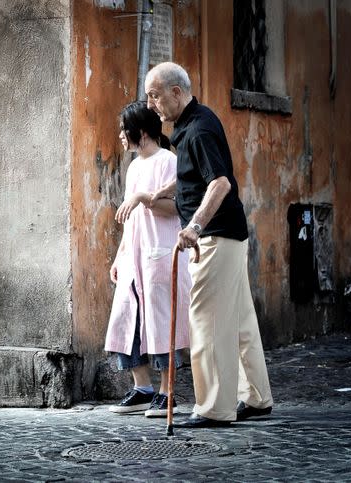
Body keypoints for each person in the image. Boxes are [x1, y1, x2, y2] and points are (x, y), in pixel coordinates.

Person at [145, 62, 273, 427]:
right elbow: (198, 175)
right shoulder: (193, 122)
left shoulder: (198, 129)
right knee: (241, 323)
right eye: (148, 97)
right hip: (228, 235)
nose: (151, 104)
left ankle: (215, 408)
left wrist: (194, 227)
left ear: (175, 92)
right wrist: (169, 189)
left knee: (207, 321)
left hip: (214, 237)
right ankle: (257, 398)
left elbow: (219, 183)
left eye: (155, 95)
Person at [105, 101, 192, 418]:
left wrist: (146, 201)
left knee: (162, 323)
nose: (120, 136)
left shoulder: (168, 162)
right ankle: (142, 388)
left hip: (161, 252)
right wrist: (119, 255)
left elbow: (178, 209)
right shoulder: (133, 168)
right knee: (128, 322)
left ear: (139, 132)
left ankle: (168, 392)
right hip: (133, 256)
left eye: (123, 130)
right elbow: (130, 220)